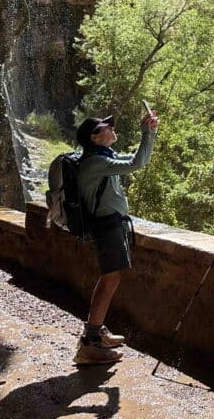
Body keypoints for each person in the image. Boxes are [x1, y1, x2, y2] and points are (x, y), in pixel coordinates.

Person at [72, 107, 159, 365]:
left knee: (109, 278)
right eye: (106, 127)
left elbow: (136, 159)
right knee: (110, 279)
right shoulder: (96, 163)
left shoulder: (103, 157)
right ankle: (90, 344)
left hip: (110, 226)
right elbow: (137, 163)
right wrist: (147, 132)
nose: (112, 128)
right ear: (94, 137)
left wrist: (150, 133)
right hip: (106, 227)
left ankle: (96, 332)